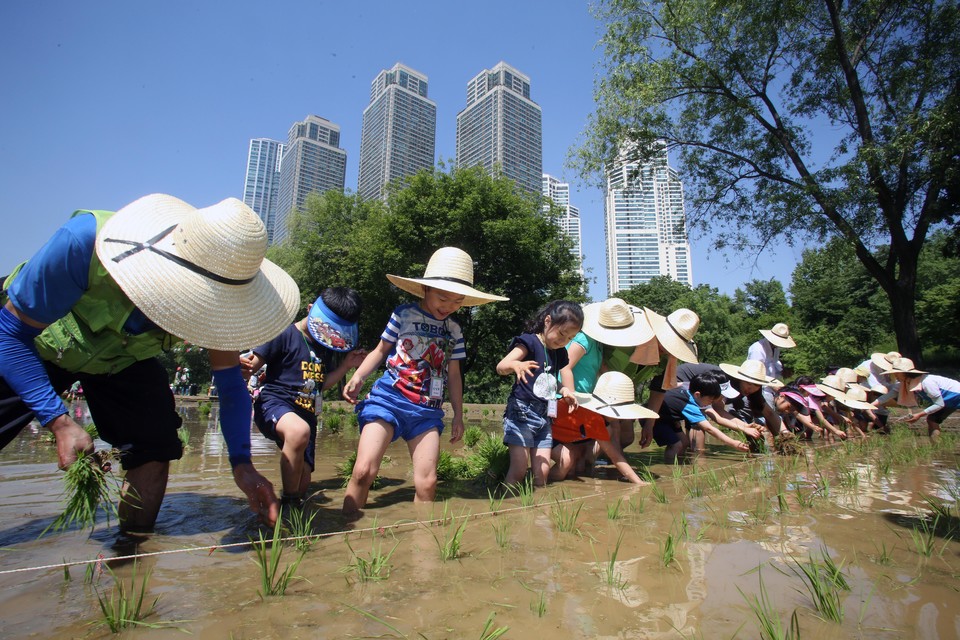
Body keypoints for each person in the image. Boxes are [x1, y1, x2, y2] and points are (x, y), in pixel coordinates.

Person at [0, 194, 300, 534]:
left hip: (126, 359)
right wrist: (58, 421)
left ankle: (130, 554)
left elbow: (230, 386)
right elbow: (9, 332)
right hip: (38, 343)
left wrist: (241, 465)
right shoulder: (84, 241)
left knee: (157, 441)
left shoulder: (221, 296)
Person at [341, 247, 508, 516]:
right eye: (443, 297)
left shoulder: (454, 330)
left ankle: (423, 546)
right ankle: (345, 526)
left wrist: (458, 415)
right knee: (363, 471)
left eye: (457, 301)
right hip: (389, 399)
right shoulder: (403, 314)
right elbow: (381, 351)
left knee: (428, 483)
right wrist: (358, 376)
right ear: (426, 290)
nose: (449, 306)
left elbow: (454, 375)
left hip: (427, 410)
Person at [241, 288, 367, 507]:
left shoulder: (325, 347)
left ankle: (282, 502)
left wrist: (347, 365)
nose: (330, 333)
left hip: (307, 413)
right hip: (275, 402)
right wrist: (241, 368)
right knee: (298, 432)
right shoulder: (284, 333)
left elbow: (321, 384)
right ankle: (289, 506)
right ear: (310, 309)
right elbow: (252, 364)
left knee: (302, 482)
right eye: (326, 327)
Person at [496, 300, 582, 487]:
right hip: (522, 413)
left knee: (541, 474)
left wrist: (564, 389)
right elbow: (501, 366)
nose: (563, 341)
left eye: (569, 338)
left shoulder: (559, 353)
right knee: (519, 469)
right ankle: (504, 505)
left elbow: (550, 379)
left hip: (545, 417)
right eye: (561, 333)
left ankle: (537, 513)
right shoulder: (529, 342)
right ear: (548, 321)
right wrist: (515, 365)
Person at [549, 371, 655, 484]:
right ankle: (545, 483)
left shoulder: (599, 419)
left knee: (575, 468)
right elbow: (615, 456)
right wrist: (638, 482)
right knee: (566, 462)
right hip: (546, 431)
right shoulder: (594, 419)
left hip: (563, 436)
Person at [649, 370, 751, 463]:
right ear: (698, 394)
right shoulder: (689, 404)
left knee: (684, 443)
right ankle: (669, 468)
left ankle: (678, 464)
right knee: (677, 445)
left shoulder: (690, 389)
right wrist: (733, 443)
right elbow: (709, 428)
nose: (710, 404)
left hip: (668, 418)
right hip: (653, 419)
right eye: (710, 401)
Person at [876, 357, 960, 442]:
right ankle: (936, 448)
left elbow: (939, 404)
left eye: (897, 373)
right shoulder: (905, 383)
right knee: (932, 420)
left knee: (932, 419)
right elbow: (888, 396)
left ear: (905, 373)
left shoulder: (926, 382)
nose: (895, 376)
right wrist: (871, 405)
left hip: (954, 398)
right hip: (948, 402)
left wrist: (919, 415)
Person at [747, 322, 795, 408]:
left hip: (770, 390)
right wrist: (773, 385)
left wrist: (782, 372)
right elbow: (755, 373)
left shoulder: (776, 349)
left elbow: (773, 366)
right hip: (759, 389)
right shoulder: (758, 349)